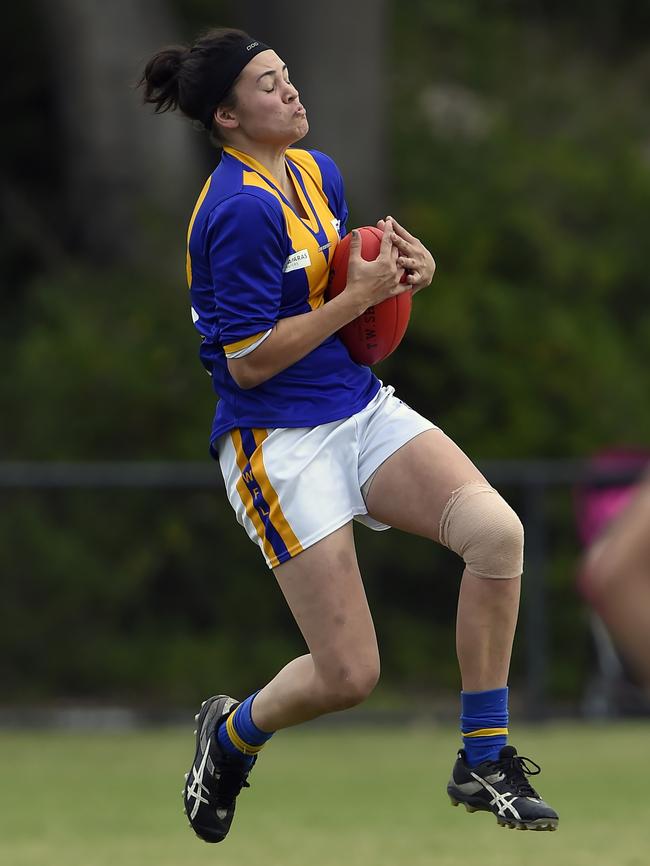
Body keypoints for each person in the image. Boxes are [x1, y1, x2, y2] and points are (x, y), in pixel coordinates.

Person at [139, 26, 558, 843]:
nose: (290, 91)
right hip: (277, 444)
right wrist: (355, 300)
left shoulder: (313, 172)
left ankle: (483, 755)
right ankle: (229, 737)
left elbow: (347, 281)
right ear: (226, 116)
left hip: (356, 410)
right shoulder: (236, 212)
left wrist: (402, 273)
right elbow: (252, 362)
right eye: (267, 85)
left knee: (496, 535)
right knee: (349, 675)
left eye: (287, 76)